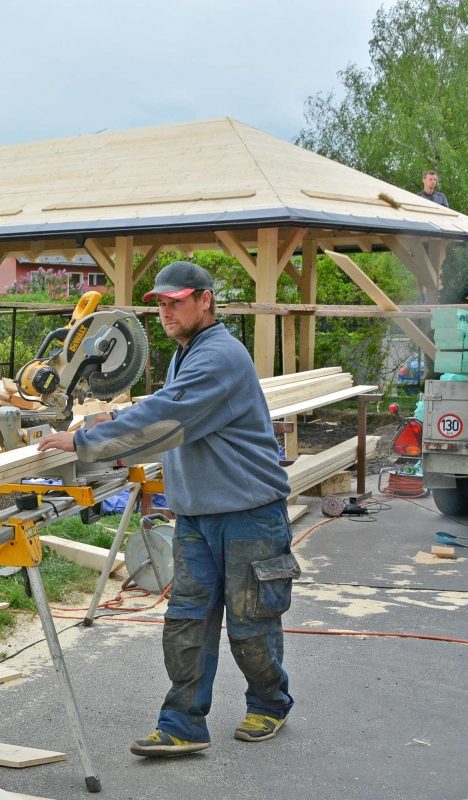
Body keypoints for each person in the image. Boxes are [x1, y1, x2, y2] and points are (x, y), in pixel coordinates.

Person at [37, 261, 300, 757]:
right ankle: (182, 724)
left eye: (176, 301)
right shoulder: (189, 353)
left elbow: (168, 417)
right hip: (197, 515)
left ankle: (269, 703)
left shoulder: (220, 354)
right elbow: (166, 400)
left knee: (251, 625)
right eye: (159, 303)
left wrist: (84, 439)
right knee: (186, 622)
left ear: (205, 299)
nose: (166, 311)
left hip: (248, 514)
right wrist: (111, 418)